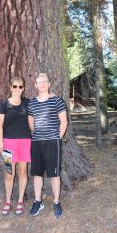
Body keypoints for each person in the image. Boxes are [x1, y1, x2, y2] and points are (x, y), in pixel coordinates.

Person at [28, 73, 68, 218]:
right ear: (36, 85)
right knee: (37, 173)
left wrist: (57, 137)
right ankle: (38, 201)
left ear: (49, 84)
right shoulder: (32, 103)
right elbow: (31, 121)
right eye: (40, 82)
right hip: (37, 142)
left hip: (53, 142)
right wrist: (38, 134)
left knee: (54, 173)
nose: (43, 84)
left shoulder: (57, 101)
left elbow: (64, 122)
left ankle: (56, 202)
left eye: (45, 82)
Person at [0, 77, 31, 215]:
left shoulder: (28, 103)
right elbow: (0, 124)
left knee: (23, 172)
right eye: (15, 86)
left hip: (25, 142)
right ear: (10, 87)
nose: (18, 89)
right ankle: (7, 201)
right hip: (8, 143)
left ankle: (20, 201)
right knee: (9, 174)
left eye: (20, 87)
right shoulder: (4, 105)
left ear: (23, 88)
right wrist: (0, 142)